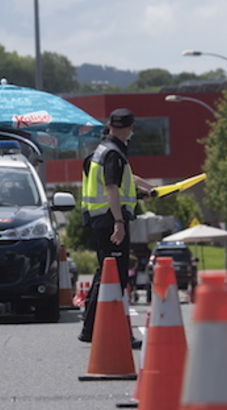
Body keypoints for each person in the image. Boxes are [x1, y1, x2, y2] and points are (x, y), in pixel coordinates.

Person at [78, 108, 150, 348]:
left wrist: (148, 190)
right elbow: (111, 188)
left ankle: (91, 329)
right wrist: (119, 222)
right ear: (129, 128)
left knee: (104, 274)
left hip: (99, 220)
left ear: (110, 125)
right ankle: (110, 332)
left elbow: (125, 178)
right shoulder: (114, 154)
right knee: (115, 278)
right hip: (110, 221)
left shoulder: (101, 152)